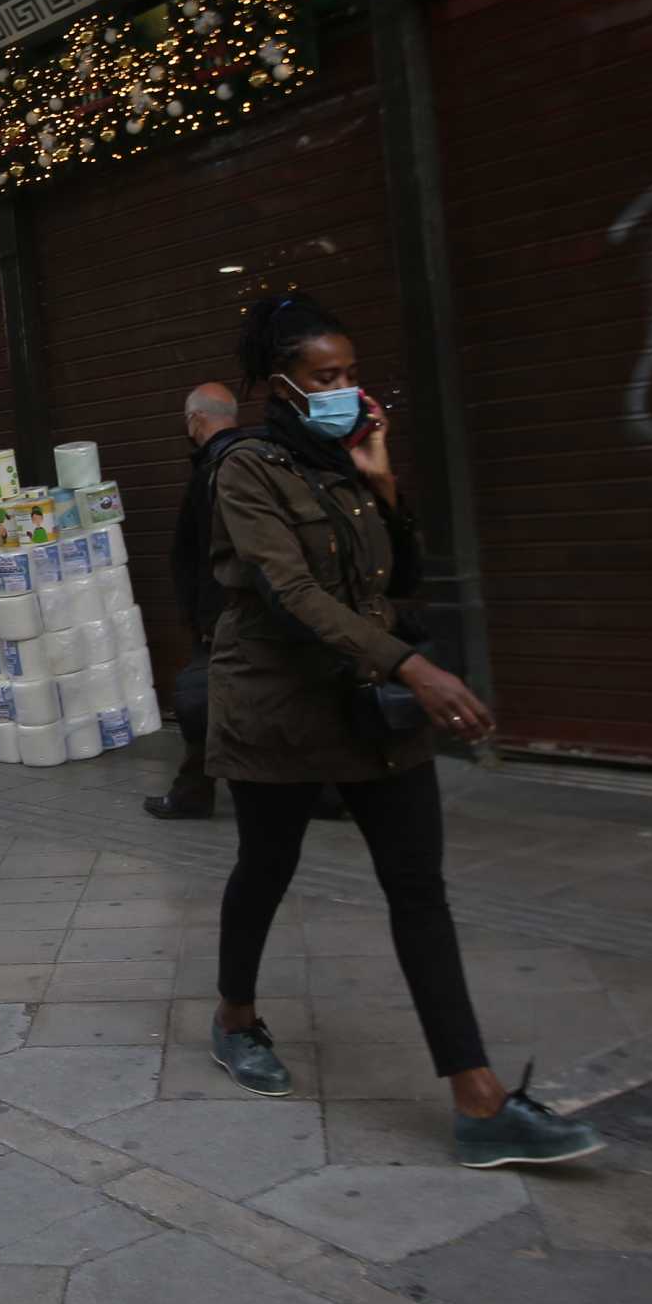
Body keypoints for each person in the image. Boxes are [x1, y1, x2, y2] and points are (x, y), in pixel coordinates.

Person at [201, 293, 600, 1170]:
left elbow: (400, 577)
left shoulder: (349, 463)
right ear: (284, 385)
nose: (347, 389)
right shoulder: (248, 469)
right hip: (281, 705)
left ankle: (479, 1101)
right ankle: (234, 1016)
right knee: (265, 869)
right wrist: (415, 667)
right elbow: (292, 595)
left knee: (419, 891)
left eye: (351, 373)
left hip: (372, 705)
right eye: (326, 376)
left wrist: (385, 488)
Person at [144, 381, 249, 821]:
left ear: (195, 420)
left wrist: (206, 614)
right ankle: (321, 793)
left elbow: (213, 552)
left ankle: (193, 793)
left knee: (200, 701)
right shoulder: (255, 459)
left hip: (227, 613)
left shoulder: (217, 469)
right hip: (257, 609)